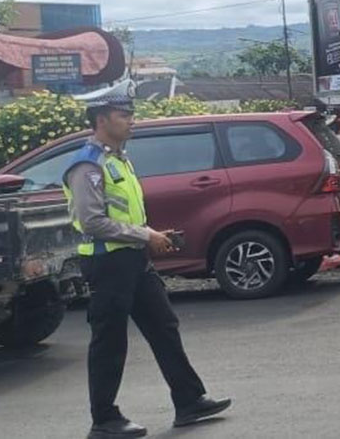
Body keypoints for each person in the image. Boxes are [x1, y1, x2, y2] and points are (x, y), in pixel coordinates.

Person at [63, 80, 231, 439]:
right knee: (109, 341)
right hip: (108, 264)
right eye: (124, 115)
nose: (132, 121)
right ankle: (104, 420)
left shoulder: (118, 159)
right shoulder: (87, 165)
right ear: (102, 119)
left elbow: (124, 214)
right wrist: (145, 235)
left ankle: (189, 400)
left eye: (131, 115)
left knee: (164, 327)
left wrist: (153, 235)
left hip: (133, 259)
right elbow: (93, 221)